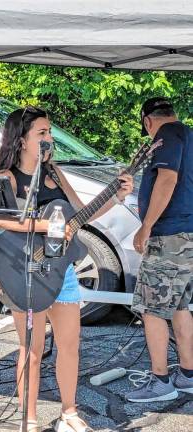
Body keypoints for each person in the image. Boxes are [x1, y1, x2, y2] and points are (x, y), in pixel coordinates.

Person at [0, 106, 133, 431]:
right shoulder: (6, 177)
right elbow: (1, 218)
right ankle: (29, 418)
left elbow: (81, 214)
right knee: (33, 348)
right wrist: (49, 226)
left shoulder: (54, 173)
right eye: (42, 133)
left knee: (69, 344)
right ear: (21, 140)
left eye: (49, 132)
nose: (49, 138)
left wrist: (116, 196)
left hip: (62, 271)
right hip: (24, 271)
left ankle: (69, 413)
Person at [126, 97, 193, 403]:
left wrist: (146, 226)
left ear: (147, 121)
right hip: (188, 235)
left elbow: (167, 179)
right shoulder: (188, 134)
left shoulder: (167, 136)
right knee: (180, 306)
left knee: (151, 308)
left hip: (169, 236)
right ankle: (188, 374)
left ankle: (161, 380)